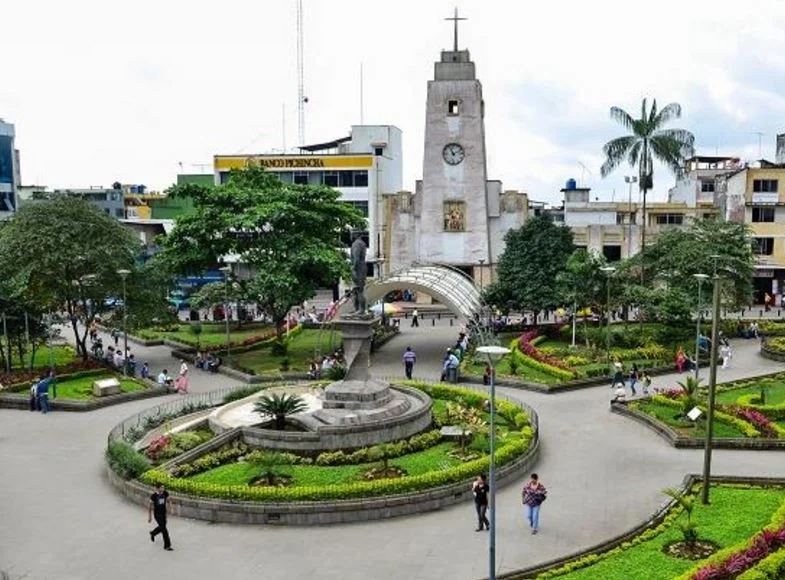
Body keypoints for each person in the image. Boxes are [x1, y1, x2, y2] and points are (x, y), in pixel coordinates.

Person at [148, 483, 173, 551]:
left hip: (163, 514)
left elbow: (169, 500)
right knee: (164, 530)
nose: (163, 489)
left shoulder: (165, 493)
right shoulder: (154, 496)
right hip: (157, 515)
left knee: (162, 527)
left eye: (163, 487)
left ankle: (153, 533)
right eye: (161, 487)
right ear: (158, 488)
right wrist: (150, 517)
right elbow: (150, 507)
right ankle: (167, 546)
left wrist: (171, 508)